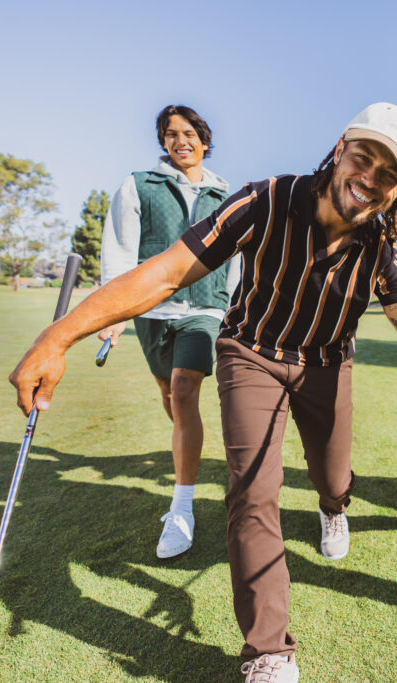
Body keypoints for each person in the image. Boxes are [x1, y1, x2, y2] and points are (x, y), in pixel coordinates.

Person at [9, 102, 397, 683]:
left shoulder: (379, 247)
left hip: (326, 367)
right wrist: (60, 335)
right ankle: (268, 653)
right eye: (363, 157)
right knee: (253, 493)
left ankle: (332, 509)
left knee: (334, 477)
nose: (368, 178)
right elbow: (168, 272)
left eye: (387, 172)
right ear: (341, 146)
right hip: (252, 354)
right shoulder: (265, 199)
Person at [97, 104, 240, 559]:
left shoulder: (225, 193)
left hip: (206, 309)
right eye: (171, 134)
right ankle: (188, 455)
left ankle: (182, 506)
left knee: (183, 391)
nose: (182, 141)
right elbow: (120, 249)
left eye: (189, 133)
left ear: (203, 138)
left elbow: (236, 258)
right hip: (151, 310)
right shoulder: (138, 185)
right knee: (170, 397)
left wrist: (232, 306)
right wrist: (114, 312)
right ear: (163, 141)